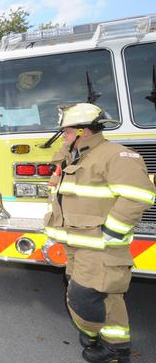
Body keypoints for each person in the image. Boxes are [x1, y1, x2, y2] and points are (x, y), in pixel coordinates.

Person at [43, 103, 156, 362]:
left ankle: (107, 343)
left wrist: (111, 233)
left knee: (85, 296)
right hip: (77, 243)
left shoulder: (115, 155)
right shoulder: (77, 156)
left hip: (100, 245)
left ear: (83, 132)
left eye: (67, 132)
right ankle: (114, 345)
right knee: (105, 296)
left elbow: (138, 195)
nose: (64, 137)